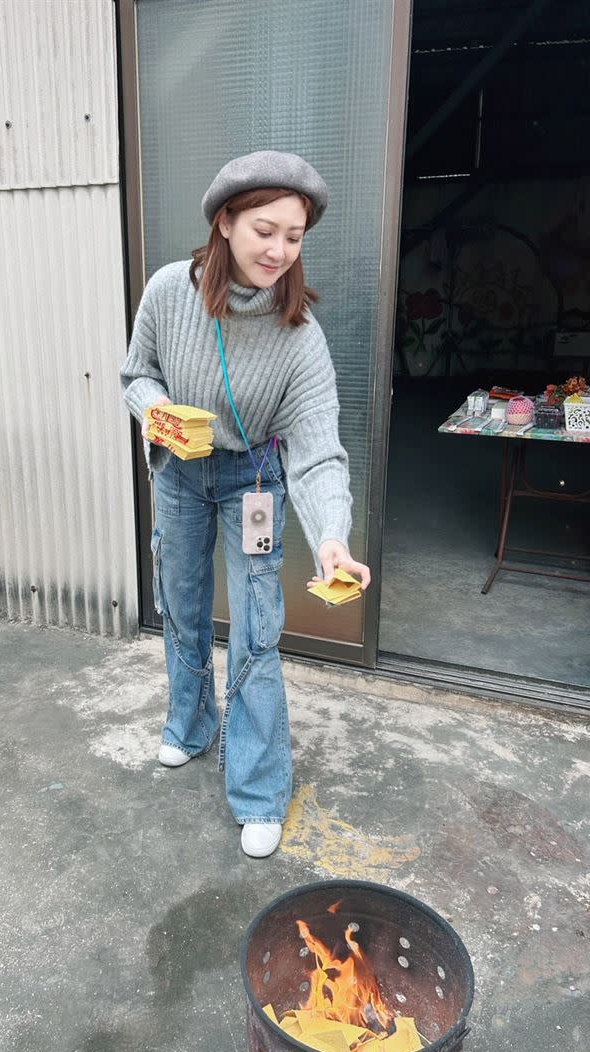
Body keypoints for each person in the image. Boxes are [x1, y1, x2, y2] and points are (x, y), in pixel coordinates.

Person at [120, 151, 370, 858]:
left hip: (254, 482)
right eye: (266, 229)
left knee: (258, 626)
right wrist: (160, 412)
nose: (279, 250)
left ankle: (259, 788)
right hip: (179, 472)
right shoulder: (170, 291)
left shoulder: (300, 338)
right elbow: (136, 375)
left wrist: (330, 538)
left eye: (294, 236)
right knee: (182, 601)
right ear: (224, 222)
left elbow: (319, 450)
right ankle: (190, 725)